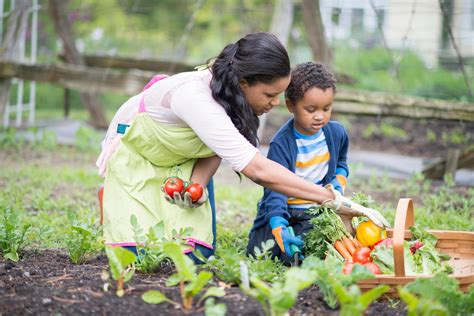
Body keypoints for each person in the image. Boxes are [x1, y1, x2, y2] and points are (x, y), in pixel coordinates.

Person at [97, 33, 388, 263]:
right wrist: (335, 201)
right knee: (139, 258)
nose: (276, 103)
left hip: (180, 155)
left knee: (196, 257)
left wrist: (195, 186)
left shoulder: (234, 98)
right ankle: (112, 200)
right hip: (140, 150)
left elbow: (215, 146)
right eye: (270, 94)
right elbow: (259, 170)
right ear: (244, 82)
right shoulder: (196, 98)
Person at [246, 62, 389, 265]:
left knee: (308, 247)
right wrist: (278, 224)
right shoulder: (282, 143)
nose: (320, 116)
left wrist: (337, 185)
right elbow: (274, 189)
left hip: (314, 211)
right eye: (311, 109)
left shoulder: (336, 134)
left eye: (327, 108)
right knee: (260, 250)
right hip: (284, 206)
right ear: (290, 105)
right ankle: (281, 237)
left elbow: (341, 163)